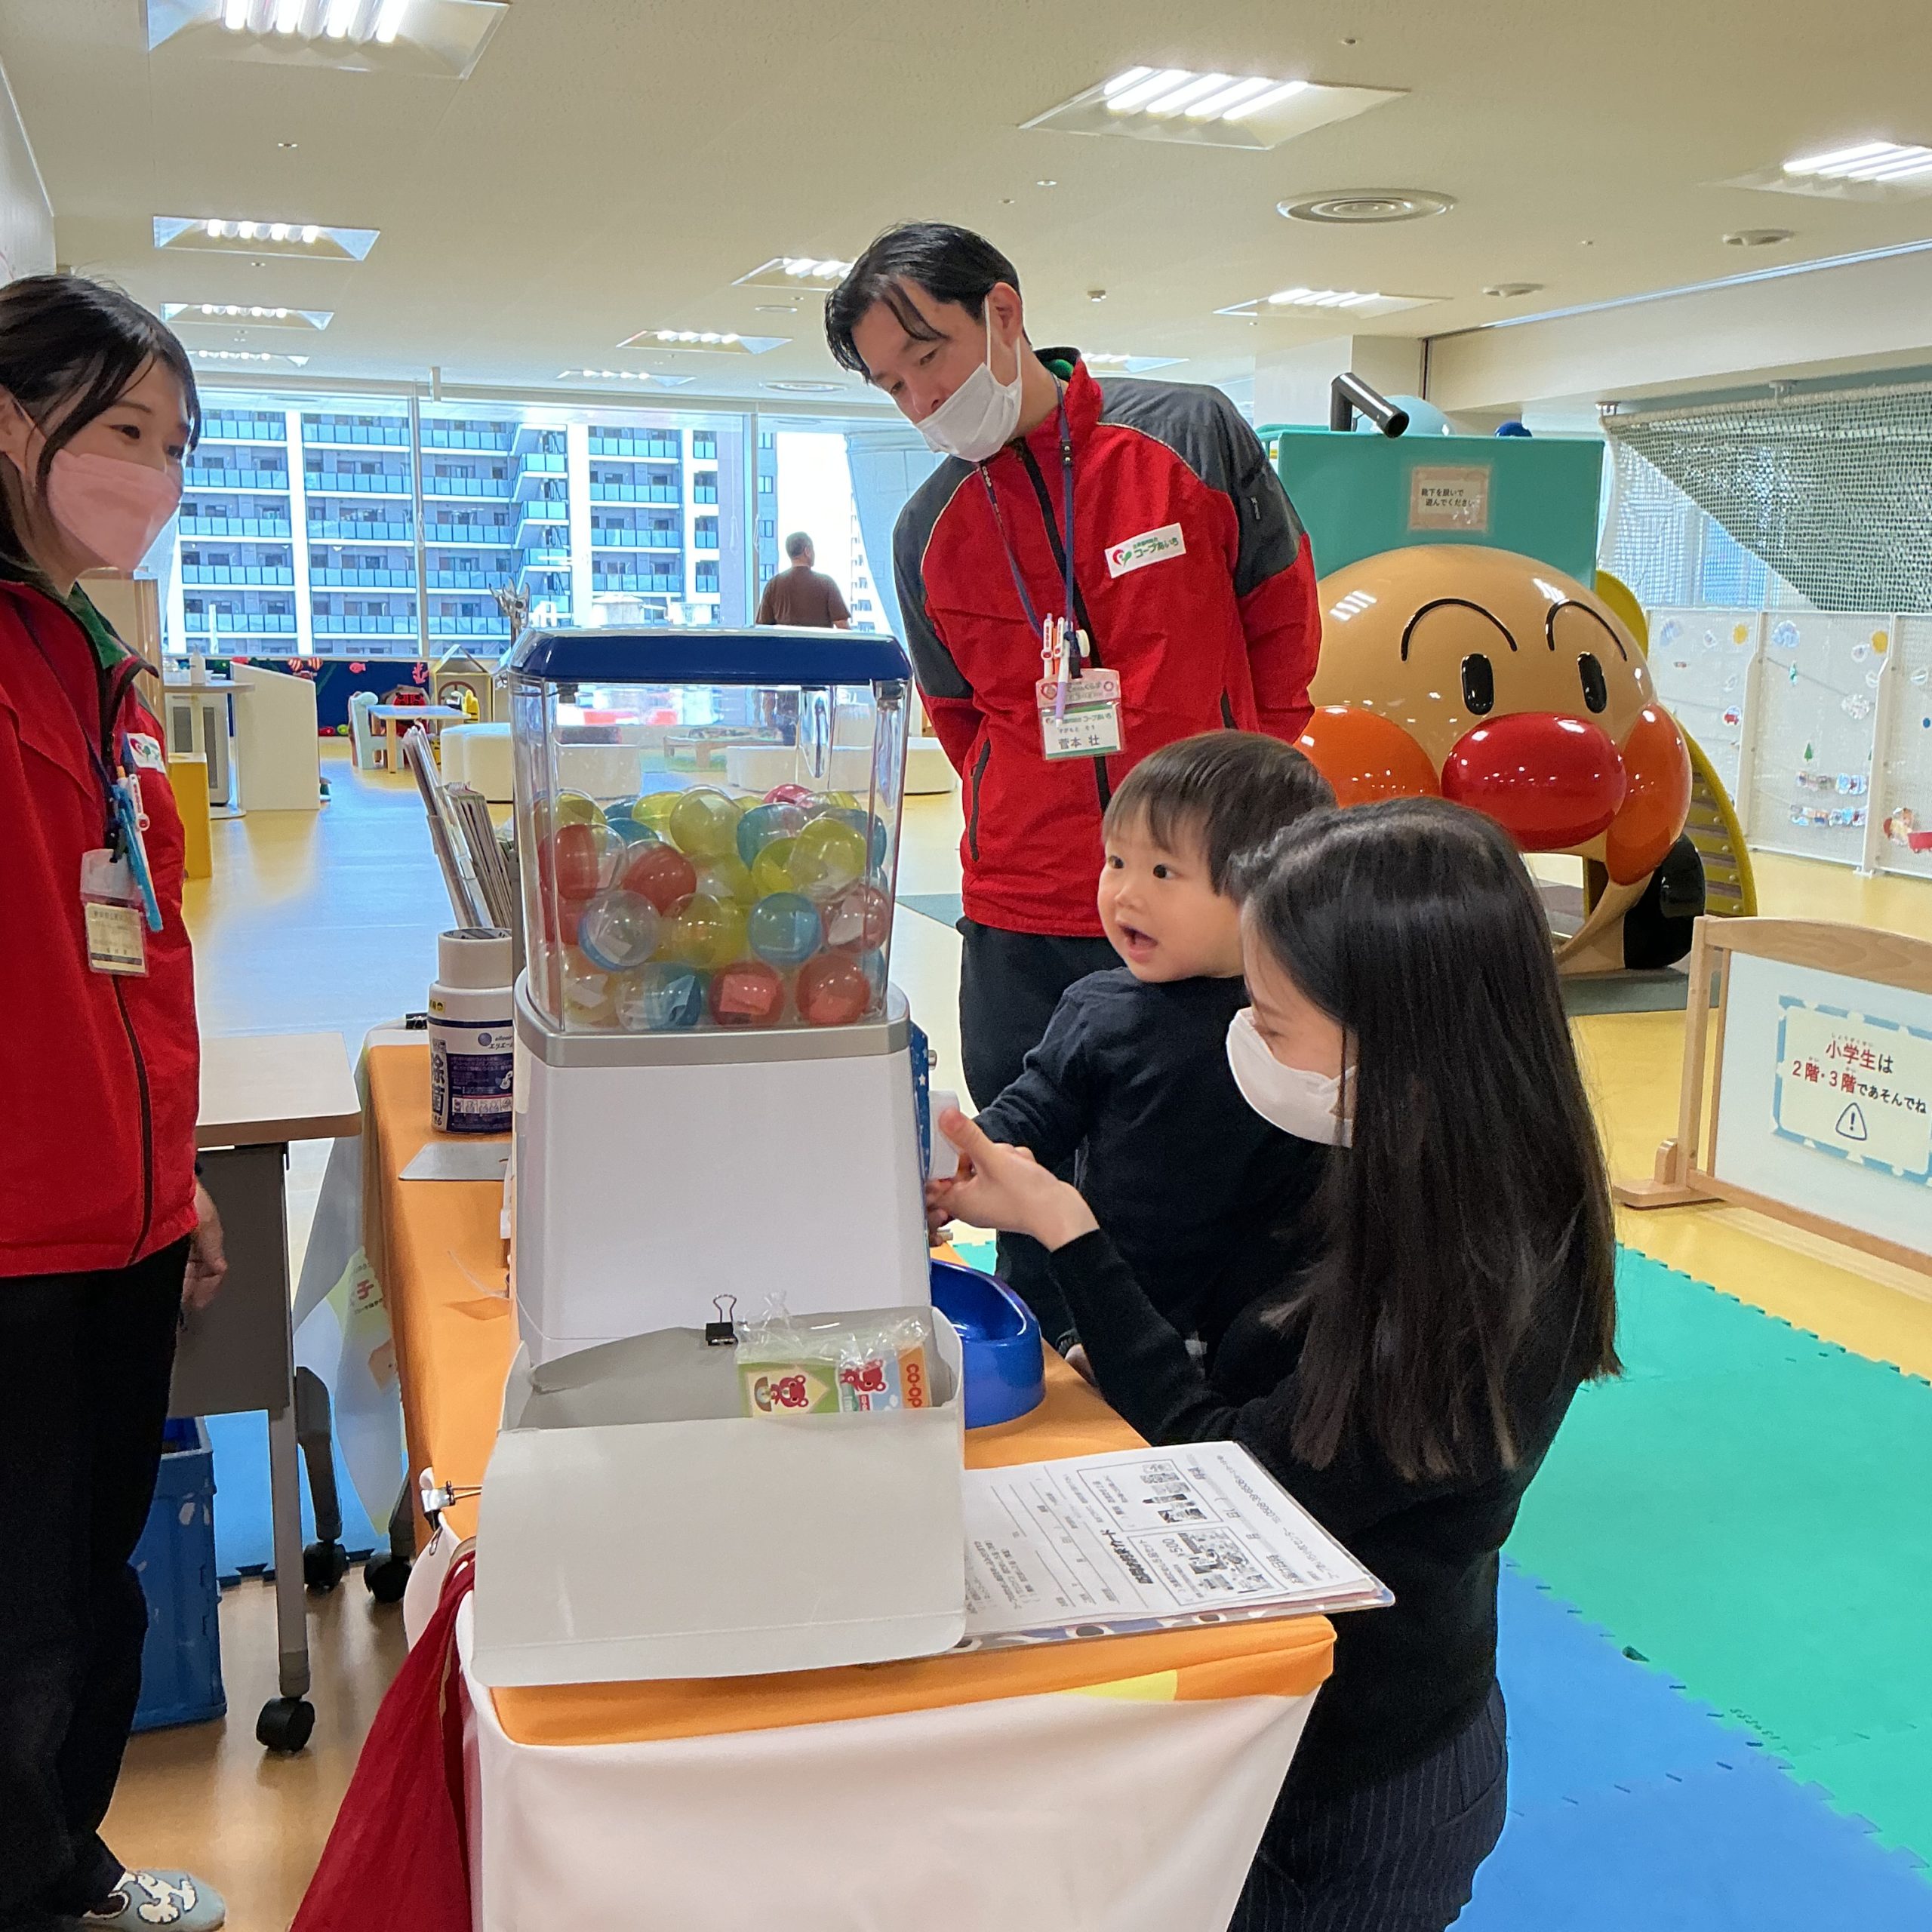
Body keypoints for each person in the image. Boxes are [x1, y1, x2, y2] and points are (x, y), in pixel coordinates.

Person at [929, 798, 1620, 1932]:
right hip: (1290, 1709)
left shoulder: (1472, 1284)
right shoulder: (1390, 1157)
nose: (1242, 1037)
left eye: (1267, 1016)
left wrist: (1068, 1232)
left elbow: (1240, 1481)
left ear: (1398, 1042)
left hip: (1362, 1770)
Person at [826, 222, 1321, 1330]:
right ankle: (1045, 1371)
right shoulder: (926, 527)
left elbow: (1282, 623)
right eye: (892, 385)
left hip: (1210, 898)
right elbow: (961, 716)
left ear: (1003, 312)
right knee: (1026, 1175)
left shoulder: (1187, 435)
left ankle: (1209, 1389)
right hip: (1025, 913)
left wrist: (1244, 819)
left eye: (929, 358)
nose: (920, 400)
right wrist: (1032, 818)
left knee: (1213, 1180)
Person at [0, 275, 229, 1932]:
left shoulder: (92, 655)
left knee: (90, 1593)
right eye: (123, 430)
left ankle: (63, 1869)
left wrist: (175, 1171)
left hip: (121, 1211)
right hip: (17, 1231)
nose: (152, 475)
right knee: (19, 1614)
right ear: (12, 421)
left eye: (174, 445)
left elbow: (130, 941)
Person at [961, 732, 1334, 1358]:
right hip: (1108, 1301)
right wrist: (964, 1156)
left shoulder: (1300, 1028)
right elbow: (1032, 1113)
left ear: (1273, 892)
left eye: (1163, 871)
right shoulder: (1099, 1008)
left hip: (1253, 1325)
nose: (1126, 894)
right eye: (1115, 862)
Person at [754, 531, 851, 628]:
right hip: (818, 638)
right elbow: (842, 625)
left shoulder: (773, 585)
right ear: (807, 551)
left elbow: (763, 628)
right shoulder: (826, 583)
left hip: (785, 639)